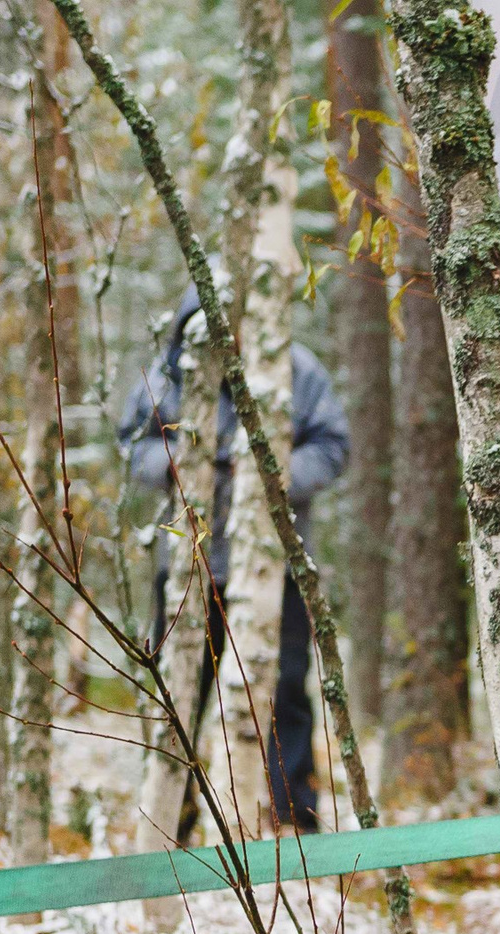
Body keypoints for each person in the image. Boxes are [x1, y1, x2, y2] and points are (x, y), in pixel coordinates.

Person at [120, 287, 350, 834]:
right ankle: (168, 820)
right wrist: (180, 463)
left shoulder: (297, 370)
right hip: (187, 568)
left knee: (283, 692)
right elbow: (132, 445)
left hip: (277, 566)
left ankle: (294, 821)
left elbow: (333, 447)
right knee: (177, 692)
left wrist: (270, 474)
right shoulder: (166, 377)